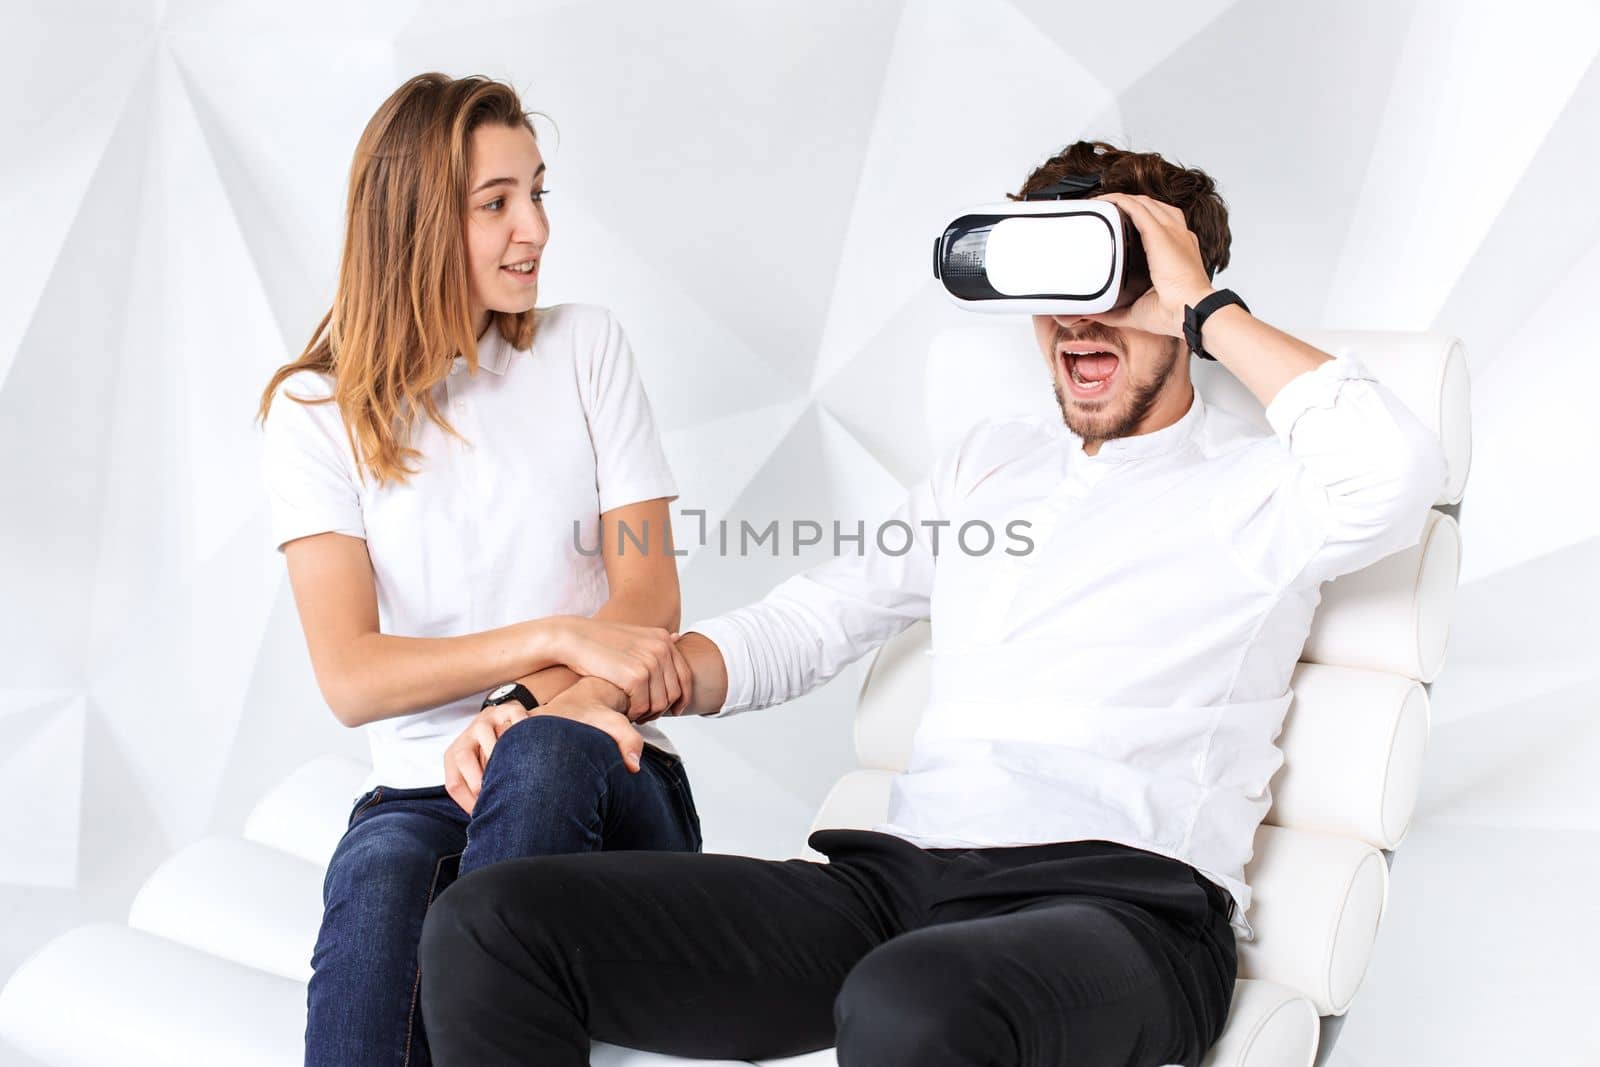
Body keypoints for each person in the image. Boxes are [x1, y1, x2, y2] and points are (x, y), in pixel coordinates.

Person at [416, 141, 1449, 1067]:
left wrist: (1202, 307)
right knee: (490, 919)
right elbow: (810, 619)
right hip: (893, 890)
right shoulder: (989, 466)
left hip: (1125, 914)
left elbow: (1399, 467)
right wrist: (588, 692)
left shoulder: (1262, 486)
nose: (1080, 319)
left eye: (1116, 282)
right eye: (1055, 284)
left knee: (909, 997)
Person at [256, 73, 703, 1067]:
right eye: (495, 203)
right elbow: (353, 675)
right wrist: (549, 633)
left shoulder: (587, 349)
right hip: (421, 791)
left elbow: (647, 601)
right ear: (414, 223)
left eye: (536, 193)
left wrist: (528, 703)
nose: (534, 229)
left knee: (540, 757)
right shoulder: (315, 414)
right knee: (380, 882)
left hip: (604, 767)